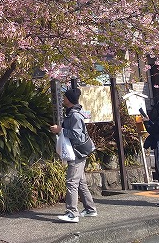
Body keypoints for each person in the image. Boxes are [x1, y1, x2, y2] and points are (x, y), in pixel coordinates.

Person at [50, 88, 97, 223]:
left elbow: (78, 135)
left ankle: (72, 213)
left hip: (77, 153)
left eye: (65, 97)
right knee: (80, 182)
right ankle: (90, 209)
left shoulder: (75, 115)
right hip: (78, 152)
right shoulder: (72, 113)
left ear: (69, 100)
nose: (63, 99)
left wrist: (61, 130)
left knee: (71, 182)